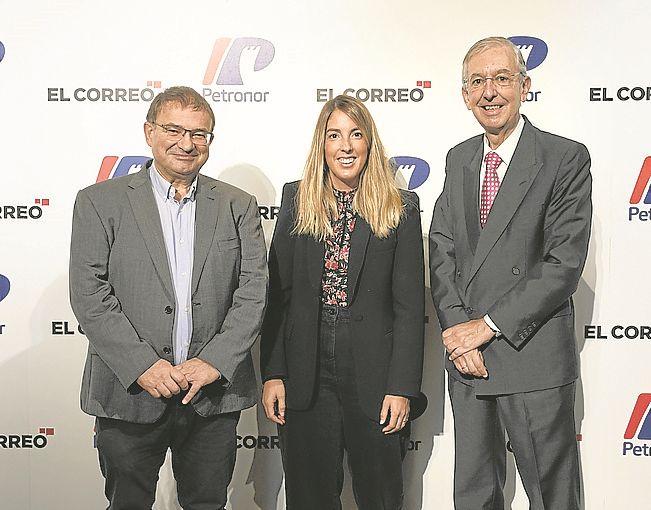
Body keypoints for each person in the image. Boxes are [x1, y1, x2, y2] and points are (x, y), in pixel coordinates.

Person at [69, 86, 267, 510]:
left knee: (208, 504)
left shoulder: (238, 205)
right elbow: (89, 294)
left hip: (211, 396)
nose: (186, 143)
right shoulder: (99, 202)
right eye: (174, 130)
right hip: (129, 394)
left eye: (199, 134)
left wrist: (214, 361)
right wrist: (143, 365)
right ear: (149, 132)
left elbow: (252, 292)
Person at [429, 37, 592, 509]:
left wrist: (485, 328)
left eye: (501, 78)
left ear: (524, 85)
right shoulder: (459, 158)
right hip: (469, 362)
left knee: (552, 497)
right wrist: (459, 331)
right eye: (477, 81)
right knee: (475, 496)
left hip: (530, 355)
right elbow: (442, 249)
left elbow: (561, 265)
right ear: (464, 94)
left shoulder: (564, 158)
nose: (490, 92)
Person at [260, 95, 424, 510]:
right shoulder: (297, 198)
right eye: (334, 135)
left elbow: (408, 308)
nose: (346, 146)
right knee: (309, 495)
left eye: (356, 134)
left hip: (374, 367)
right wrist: (274, 373)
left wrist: (401, 387)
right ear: (322, 144)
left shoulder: (401, 207)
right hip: (305, 365)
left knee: (380, 494)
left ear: (370, 143)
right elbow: (278, 297)